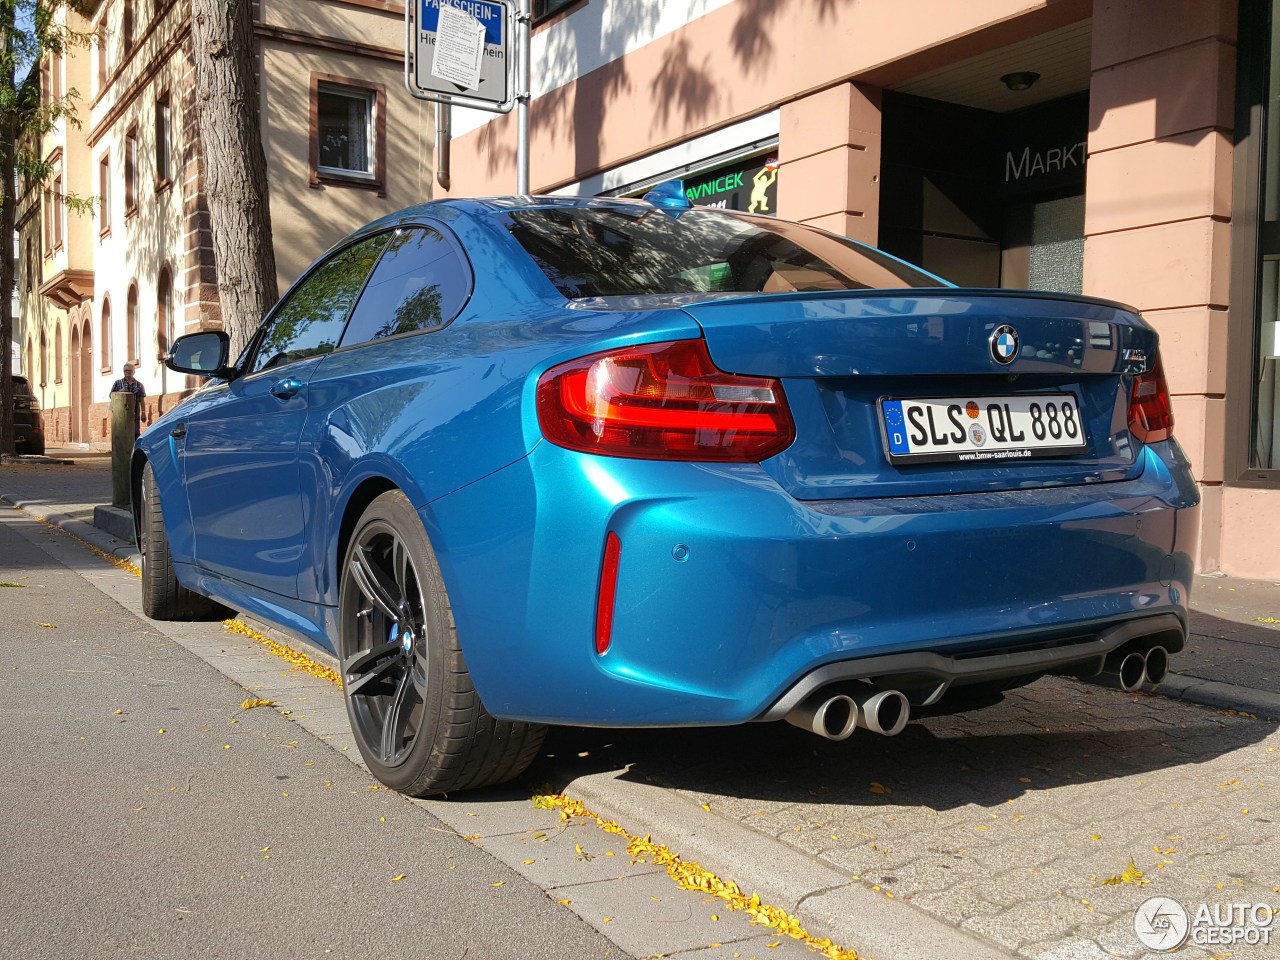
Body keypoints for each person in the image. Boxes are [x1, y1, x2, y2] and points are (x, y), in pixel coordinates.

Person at [110, 363, 147, 437]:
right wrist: (121, 392)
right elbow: (111, 395)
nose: (127, 372)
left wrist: (143, 412)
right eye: (125, 370)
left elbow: (141, 400)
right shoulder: (118, 383)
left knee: (135, 432)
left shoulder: (139, 385)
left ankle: (134, 448)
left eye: (130, 370)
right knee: (121, 433)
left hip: (134, 413)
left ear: (134, 372)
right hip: (120, 414)